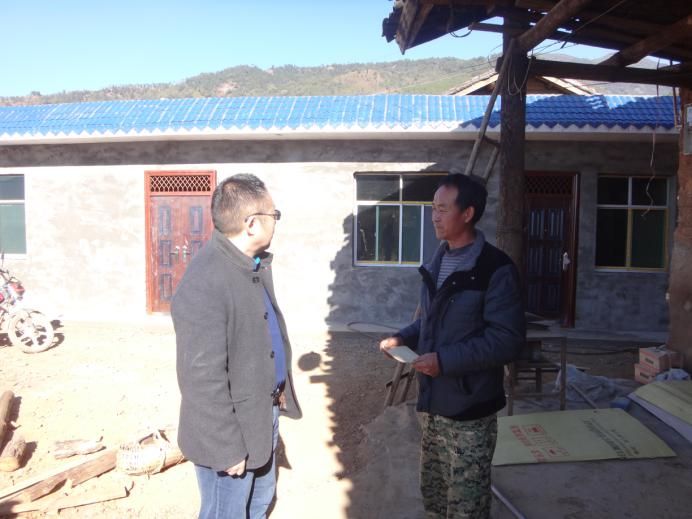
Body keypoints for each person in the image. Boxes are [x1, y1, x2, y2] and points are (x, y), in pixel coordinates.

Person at [379, 173, 524, 518]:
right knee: (435, 496)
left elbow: (506, 341)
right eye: (433, 208)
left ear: (468, 213)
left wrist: (443, 361)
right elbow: (429, 322)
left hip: (471, 412)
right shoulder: (438, 262)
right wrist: (403, 338)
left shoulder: (495, 269)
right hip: (433, 406)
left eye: (443, 209)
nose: (434, 216)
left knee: (466, 506)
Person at [172, 173, 301, 519]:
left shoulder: (248, 264)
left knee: (258, 505)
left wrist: (277, 387)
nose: (276, 222)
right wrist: (226, 448)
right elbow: (201, 378)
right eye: (274, 215)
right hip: (231, 435)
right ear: (251, 224)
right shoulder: (207, 279)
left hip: (259, 415)